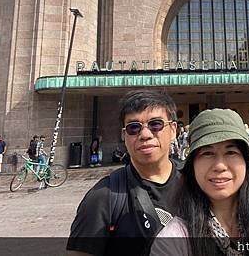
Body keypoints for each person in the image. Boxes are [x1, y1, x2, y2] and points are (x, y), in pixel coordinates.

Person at [151, 108, 249, 256]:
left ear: (246, 162)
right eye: (207, 153)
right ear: (192, 166)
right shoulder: (173, 240)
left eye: (231, 152)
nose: (220, 166)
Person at [67, 90, 181, 256]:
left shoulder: (197, 184)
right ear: (124, 135)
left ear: (173, 130)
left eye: (155, 124)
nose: (145, 135)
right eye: (133, 128)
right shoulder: (102, 197)